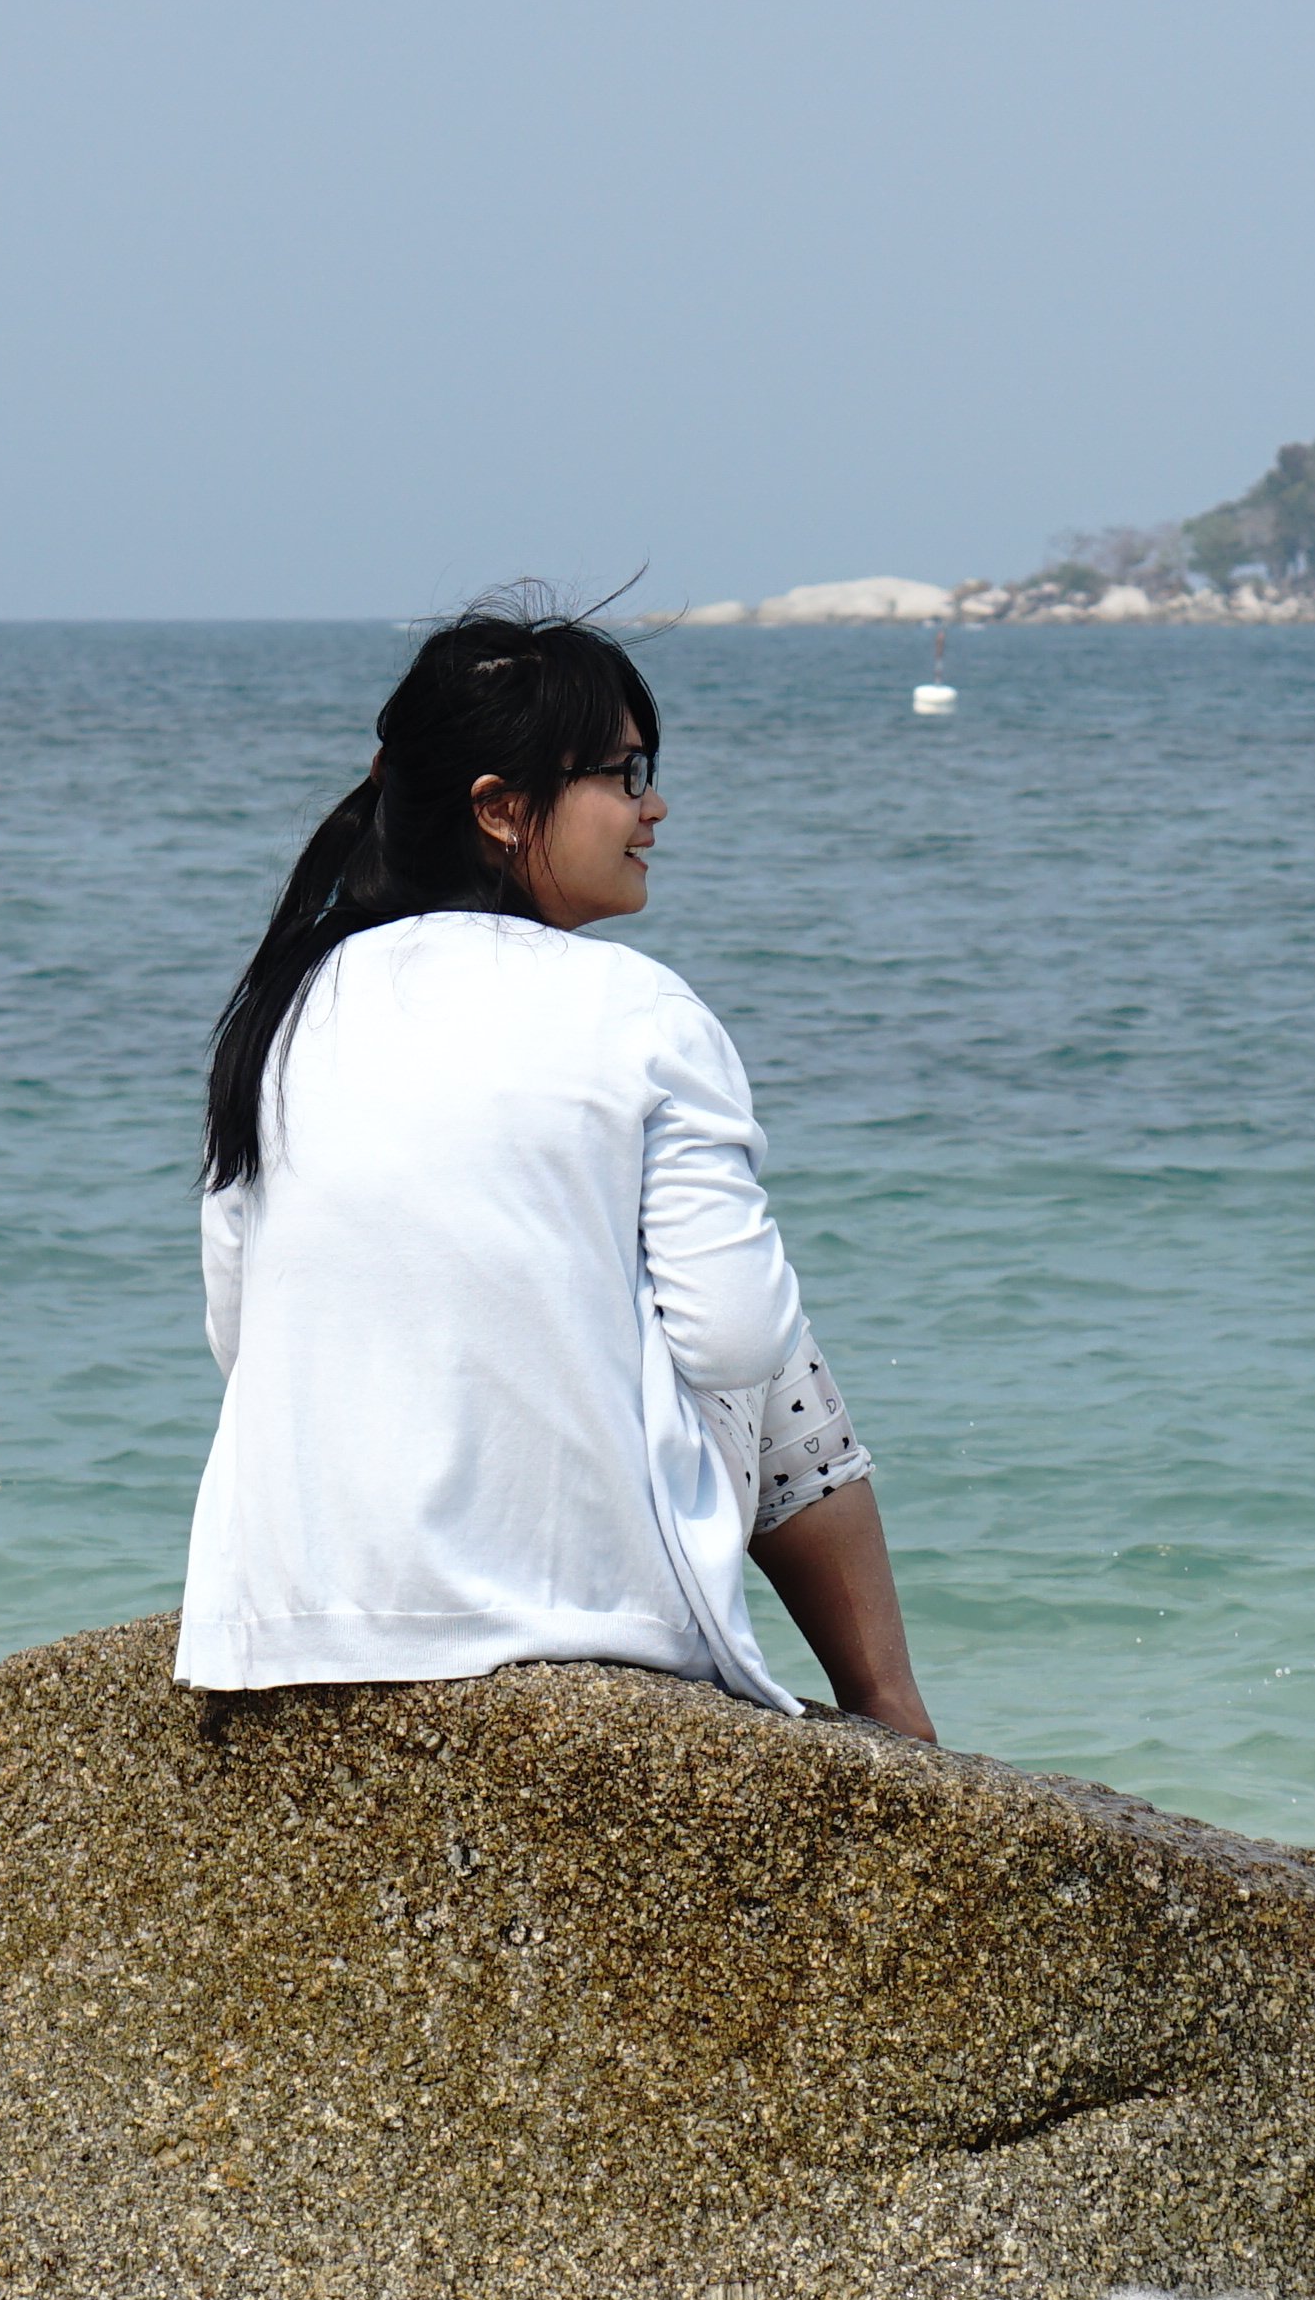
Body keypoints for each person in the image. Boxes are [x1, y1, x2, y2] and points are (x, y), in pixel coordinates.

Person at [177, 603, 934, 1739]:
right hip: (571, 1605)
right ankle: (890, 1708)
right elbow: (734, 1339)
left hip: (282, 1616)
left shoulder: (285, 1005)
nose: (655, 805)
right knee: (768, 1340)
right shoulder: (638, 1007)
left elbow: (240, 1336)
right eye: (625, 774)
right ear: (498, 807)